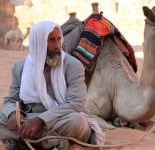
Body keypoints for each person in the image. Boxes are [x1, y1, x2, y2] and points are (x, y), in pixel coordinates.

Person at [0, 21, 104, 150]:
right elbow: (12, 100)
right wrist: (12, 115)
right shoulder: (20, 67)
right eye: (51, 40)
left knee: (78, 122)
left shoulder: (73, 65)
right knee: (2, 118)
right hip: (29, 118)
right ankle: (53, 142)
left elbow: (76, 103)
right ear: (38, 42)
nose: (57, 46)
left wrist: (41, 120)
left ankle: (27, 140)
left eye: (59, 39)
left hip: (60, 118)